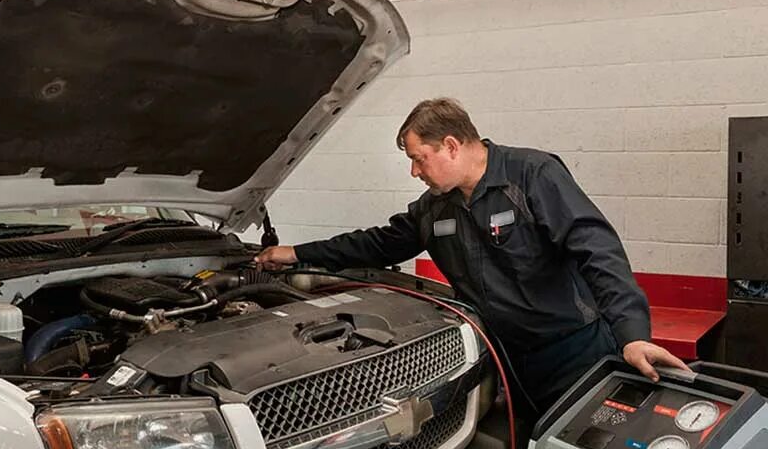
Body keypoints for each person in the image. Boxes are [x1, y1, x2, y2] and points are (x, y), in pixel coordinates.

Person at [255, 97, 689, 416]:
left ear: (450, 145)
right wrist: (295, 254)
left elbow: (598, 249)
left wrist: (632, 333)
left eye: (419, 160)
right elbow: (375, 244)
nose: (415, 172)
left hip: (577, 352)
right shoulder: (434, 207)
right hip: (508, 361)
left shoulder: (532, 175)